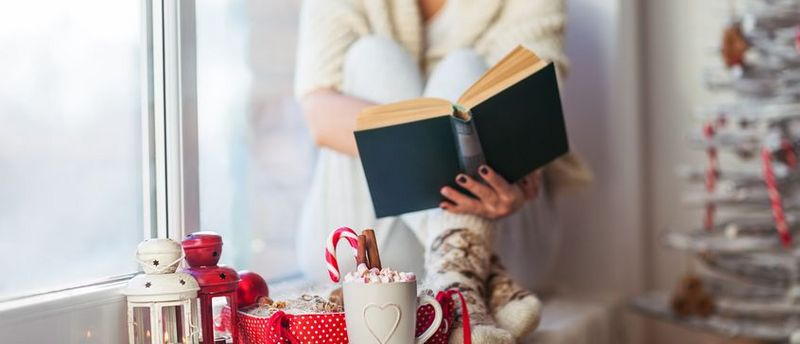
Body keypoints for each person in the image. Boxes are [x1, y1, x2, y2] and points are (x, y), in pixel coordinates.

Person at [293, 0, 591, 342]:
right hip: (371, 252)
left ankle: (459, 269)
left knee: (463, 69)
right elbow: (319, 115)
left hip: (509, 223)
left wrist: (515, 172)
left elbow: (535, 107)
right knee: (372, 57)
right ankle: (465, 271)